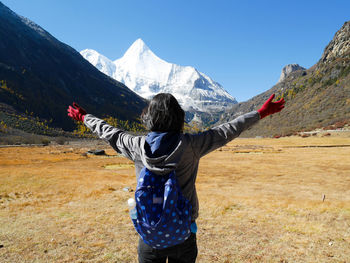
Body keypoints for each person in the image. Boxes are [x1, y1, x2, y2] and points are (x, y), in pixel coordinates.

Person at [67, 93, 285, 263]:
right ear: (180, 118)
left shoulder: (136, 146)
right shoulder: (191, 145)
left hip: (150, 236)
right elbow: (228, 130)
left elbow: (109, 132)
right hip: (184, 234)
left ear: (149, 118)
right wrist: (260, 113)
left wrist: (84, 117)